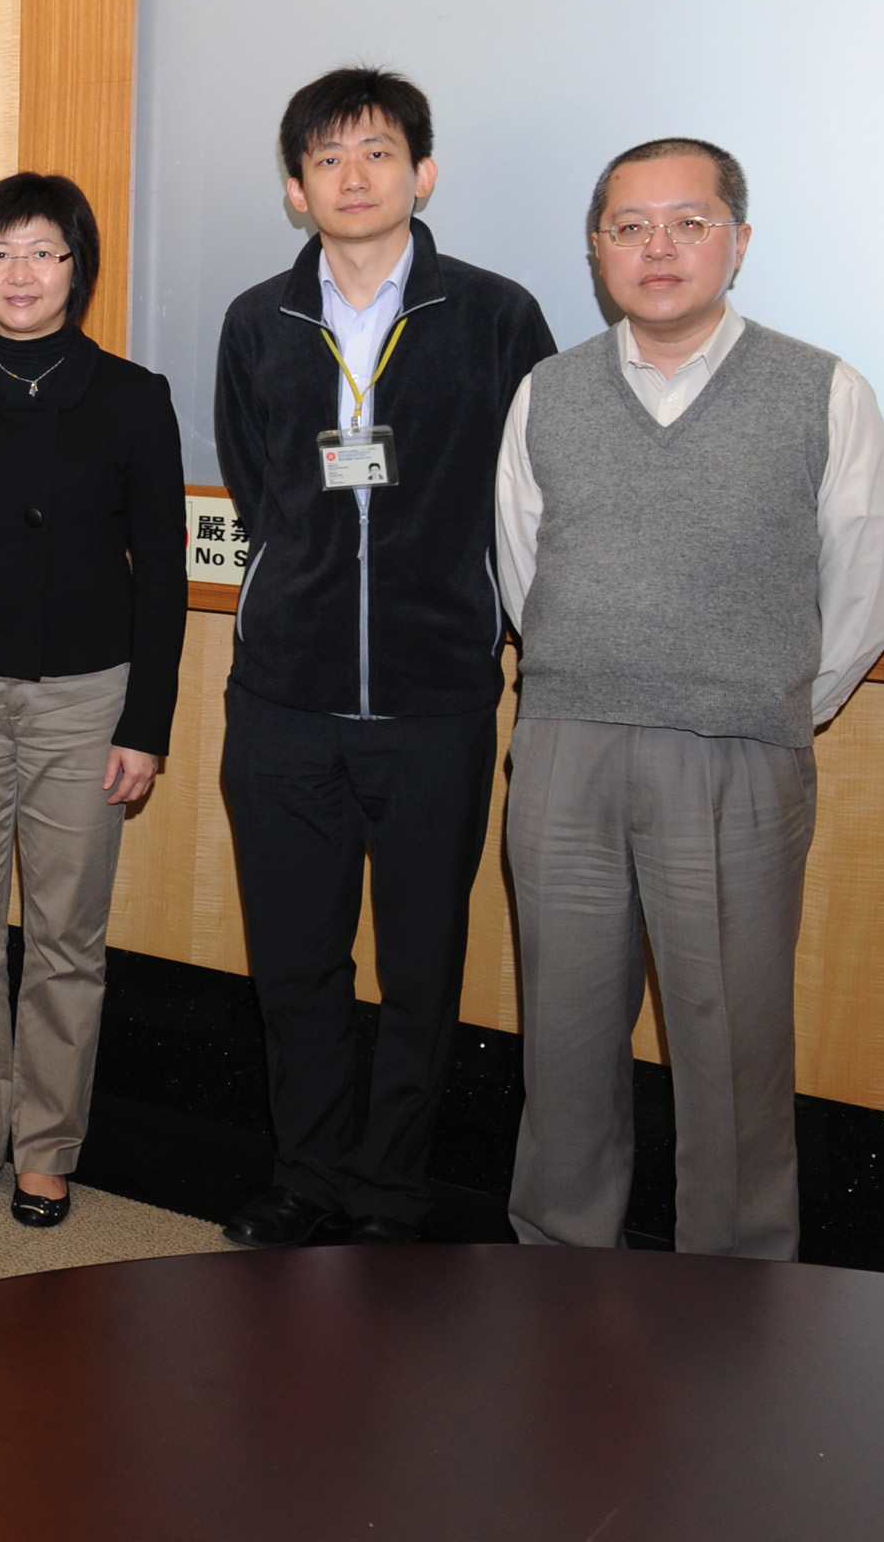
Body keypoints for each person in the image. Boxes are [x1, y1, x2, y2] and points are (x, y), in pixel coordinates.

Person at [498, 138, 884, 1259]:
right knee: (564, 1040)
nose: (657, 247)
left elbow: (863, 591)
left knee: (732, 1050)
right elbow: (525, 572)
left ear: (737, 238)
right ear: (595, 250)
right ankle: (556, 1262)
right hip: (566, 748)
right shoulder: (546, 392)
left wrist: (754, 695)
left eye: (686, 220)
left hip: (734, 756)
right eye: (628, 226)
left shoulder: (821, 388)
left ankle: (731, 1292)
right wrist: (603, 669)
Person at [211, 66, 558, 1249]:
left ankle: (388, 1194)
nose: (349, 177)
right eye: (323, 159)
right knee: (294, 965)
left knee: (419, 970)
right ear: (294, 187)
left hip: (434, 699)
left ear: (421, 170)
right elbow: (260, 492)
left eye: (373, 152)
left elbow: (530, 499)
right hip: (283, 703)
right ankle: (305, 1178)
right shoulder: (258, 318)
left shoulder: (496, 313)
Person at [0, 173, 185, 1229]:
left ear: (76, 269)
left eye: (42, 252)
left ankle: (46, 1145)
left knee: (65, 937)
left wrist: (145, 724)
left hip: (84, 701)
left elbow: (163, 575)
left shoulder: (133, 395)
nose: (18, 273)